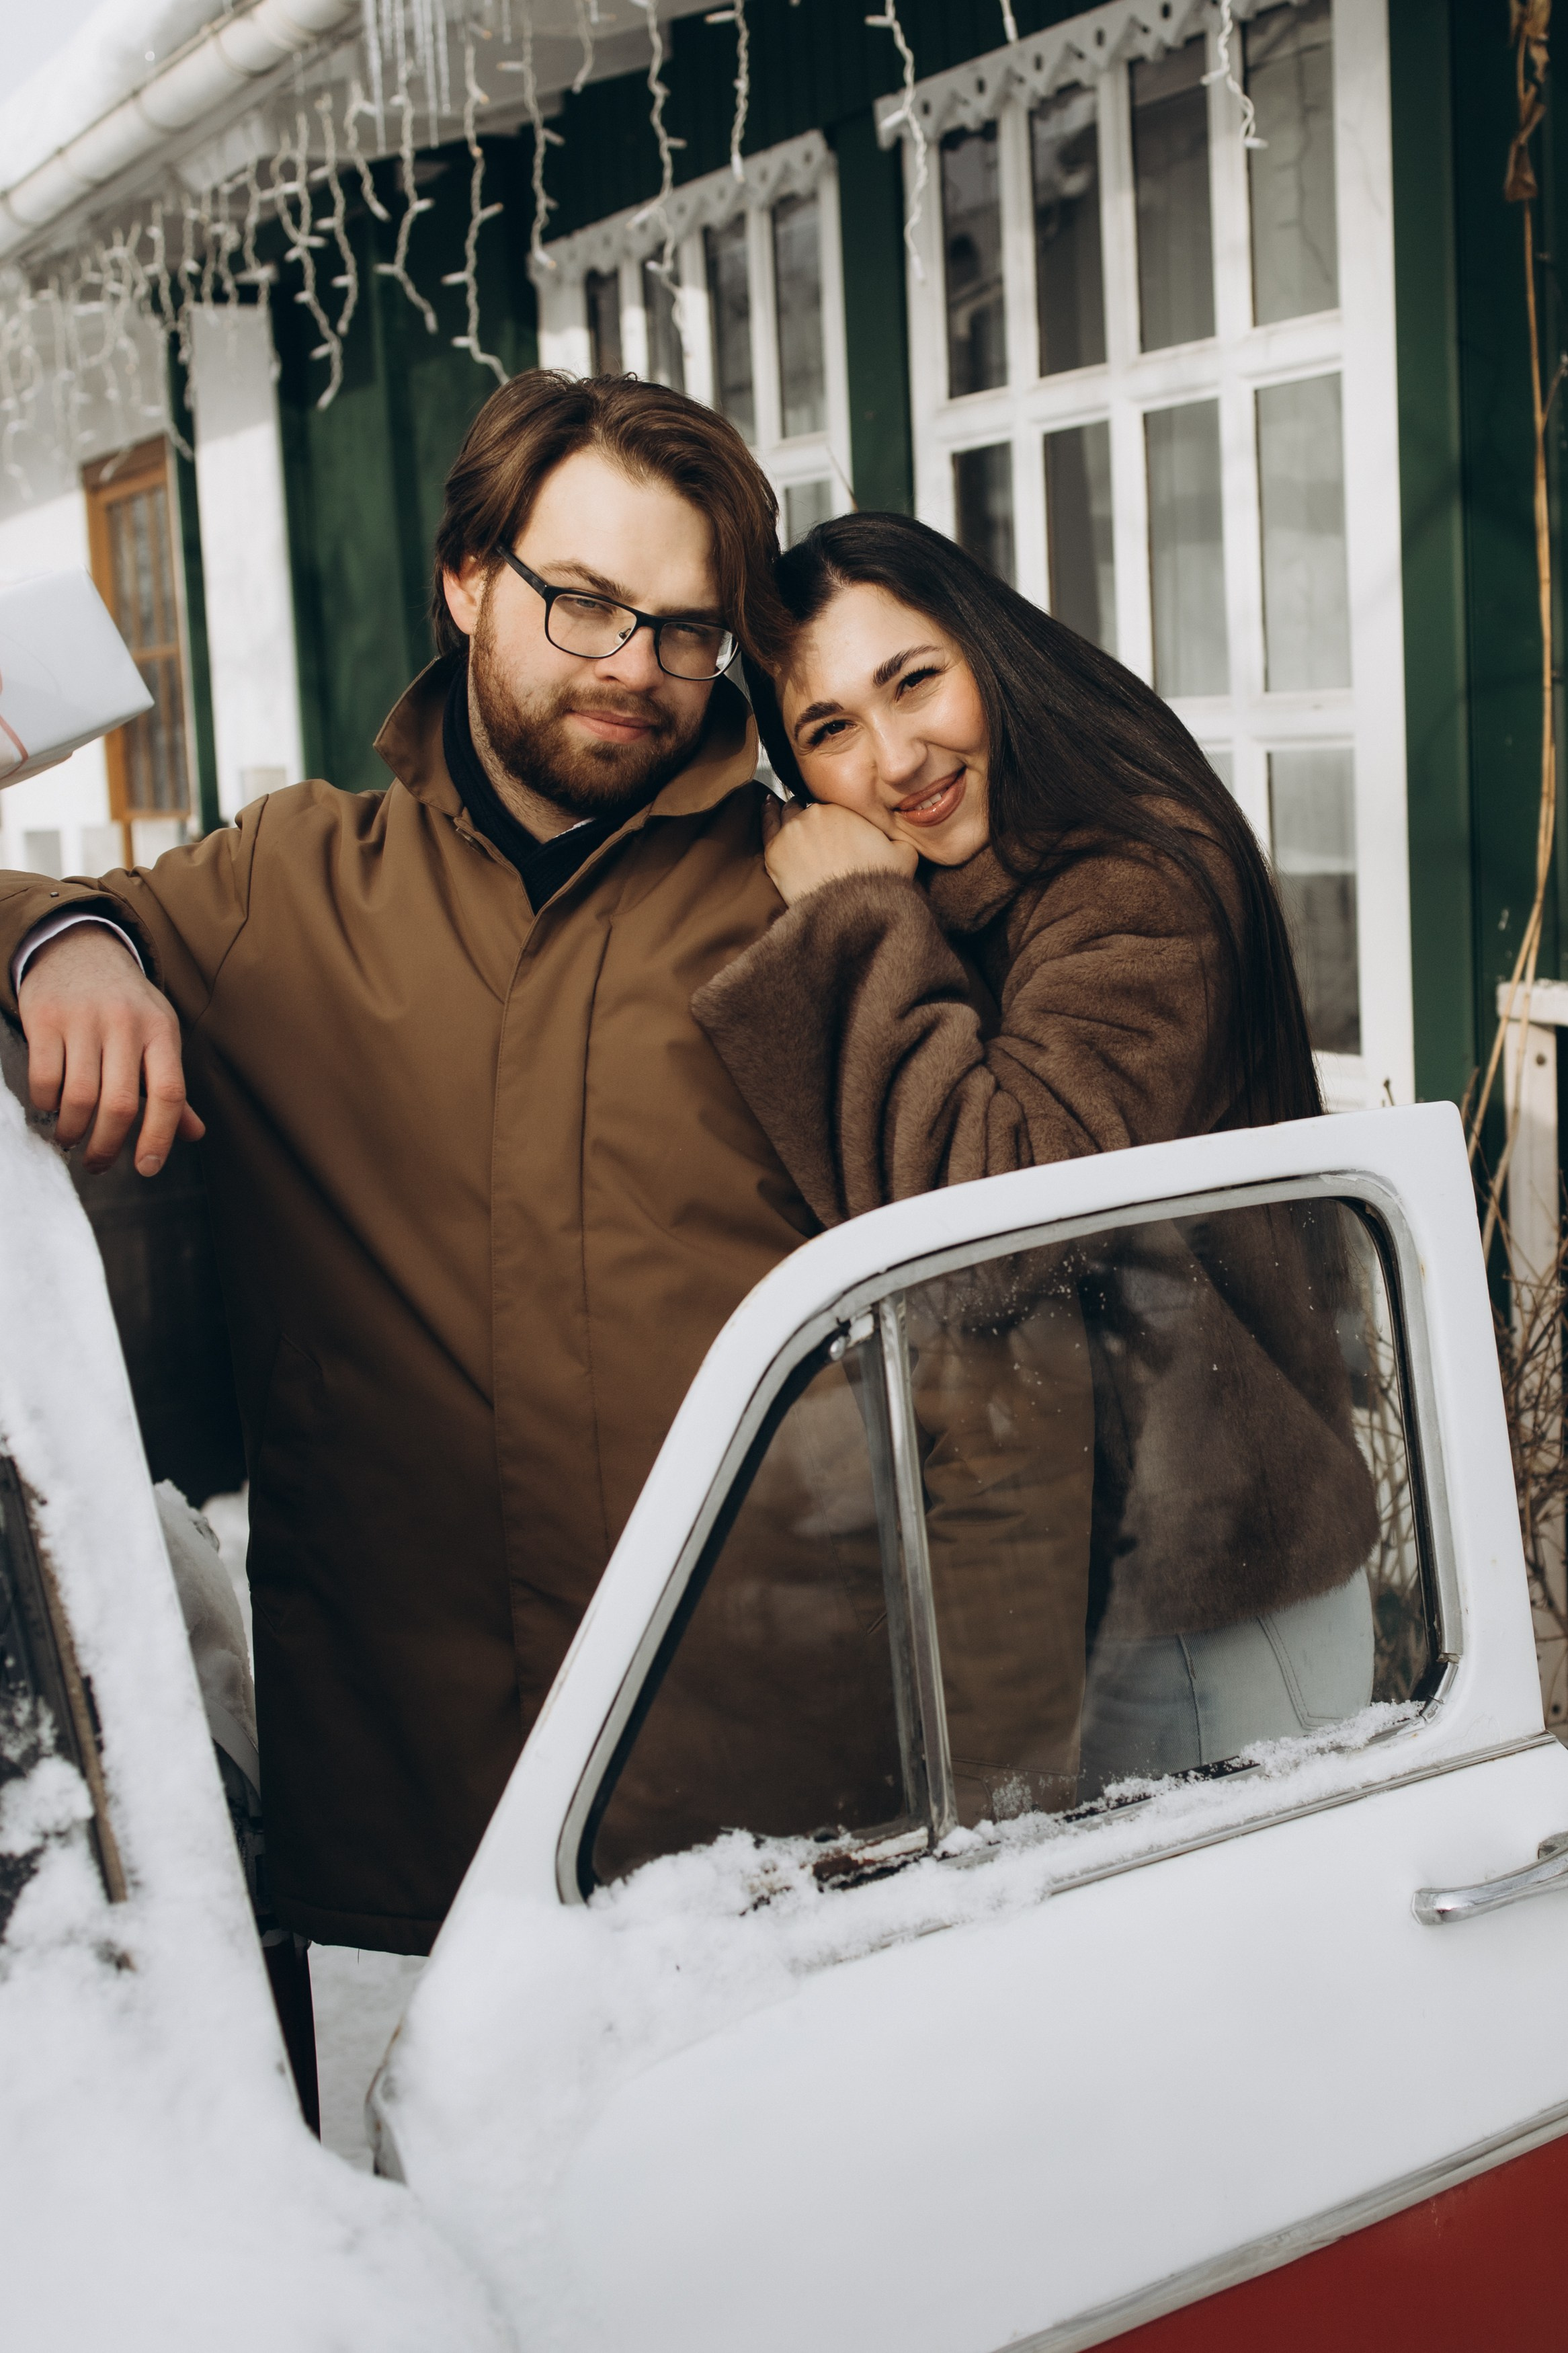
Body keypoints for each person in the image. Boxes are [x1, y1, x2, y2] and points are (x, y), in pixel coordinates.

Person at [1, 372, 817, 1955]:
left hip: (763, 1843)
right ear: (466, 579)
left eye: (686, 629)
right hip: (399, 1846)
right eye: (582, 603)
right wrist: (69, 937)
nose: (636, 669)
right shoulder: (285, 891)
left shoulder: (808, 902)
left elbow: (983, 1359)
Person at [694, 514, 1381, 1793]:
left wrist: (854, 917)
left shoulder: (1130, 881)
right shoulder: (980, 900)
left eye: (914, 681)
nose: (896, 759)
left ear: (990, 655)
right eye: (828, 730)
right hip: (1093, 1592)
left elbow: (994, 1226)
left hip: (1210, 1608)